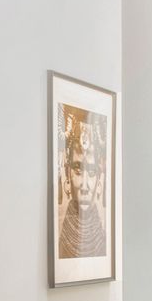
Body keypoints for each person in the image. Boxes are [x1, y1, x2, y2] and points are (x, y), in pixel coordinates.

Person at [57, 110, 107, 259]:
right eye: (78, 170)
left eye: (91, 172)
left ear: (99, 182)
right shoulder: (61, 246)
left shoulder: (105, 246)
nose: (85, 187)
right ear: (67, 176)